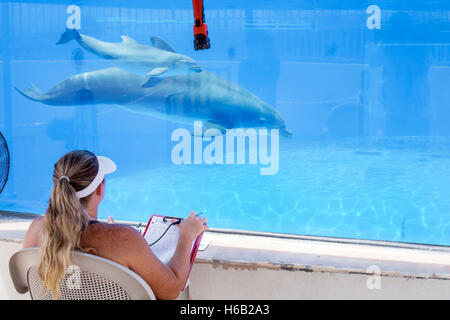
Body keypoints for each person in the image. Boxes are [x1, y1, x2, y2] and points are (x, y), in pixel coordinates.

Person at [23, 150, 208, 300]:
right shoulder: (123, 240)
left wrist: (109, 232)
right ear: (99, 189)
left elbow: (27, 283)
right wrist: (186, 235)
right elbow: (170, 291)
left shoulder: (36, 230)